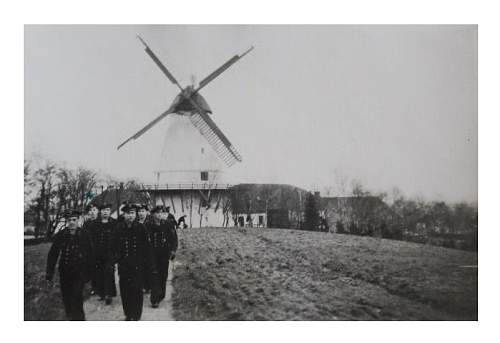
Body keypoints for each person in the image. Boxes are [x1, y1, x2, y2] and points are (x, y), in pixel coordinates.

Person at [45, 210, 93, 320]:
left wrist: (89, 274)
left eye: (74, 220)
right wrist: (49, 273)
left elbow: (91, 255)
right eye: (69, 220)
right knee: (67, 299)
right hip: (65, 272)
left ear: (78, 220)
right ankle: (71, 319)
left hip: (79, 273)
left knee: (76, 298)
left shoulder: (85, 235)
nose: (71, 222)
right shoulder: (61, 235)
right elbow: (53, 254)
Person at [111, 203, 154, 320]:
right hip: (123, 266)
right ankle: (128, 314)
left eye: (132, 213)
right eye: (127, 213)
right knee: (125, 291)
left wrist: (148, 265)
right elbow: (113, 247)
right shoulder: (119, 228)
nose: (130, 216)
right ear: (123, 214)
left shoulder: (141, 228)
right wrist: (114, 261)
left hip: (138, 266)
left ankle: (136, 315)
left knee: (137, 291)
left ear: (135, 214)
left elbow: (147, 248)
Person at [146, 205, 178, 308]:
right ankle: (154, 299)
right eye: (157, 213)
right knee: (154, 275)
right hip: (152, 254)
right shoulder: (148, 225)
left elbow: (173, 238)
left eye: (161, 213)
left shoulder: (167, 224)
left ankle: (161, 294)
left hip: (164, 254)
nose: (159, 215)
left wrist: (173, 250)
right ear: (153, 214)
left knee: (163, 275)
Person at [90, 203, 117, 304]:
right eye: (103, 210)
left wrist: (116, 254)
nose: (105, 212)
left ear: (110, 211)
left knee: (109, 272)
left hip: (110, 253)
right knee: (99, 273)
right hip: (97, 253)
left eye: (107, 210)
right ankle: (101, 293)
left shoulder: (114, 223)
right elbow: (91, 239)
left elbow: (117, 239)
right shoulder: (94, 224)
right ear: (100, 212)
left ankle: (108, 294)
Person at [82, 204, 99, 295]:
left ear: (97, 211)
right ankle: (94, 287)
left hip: (98, 249)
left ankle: (100, 287)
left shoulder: (100, 222)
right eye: (90, 210)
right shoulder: (86, 223)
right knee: (91, 268)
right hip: (89, 249)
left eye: (94, 210)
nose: (92, 212)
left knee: (99, 268)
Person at [136, 204, 152, 294]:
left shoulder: (150, 223)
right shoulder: (136, 223)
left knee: (148, 267)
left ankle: (148, 286)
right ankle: (141, 286)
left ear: (146, 212)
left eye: (143, 211)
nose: (141, 213)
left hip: (148, 249)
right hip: (138, 249)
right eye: (139, 211)